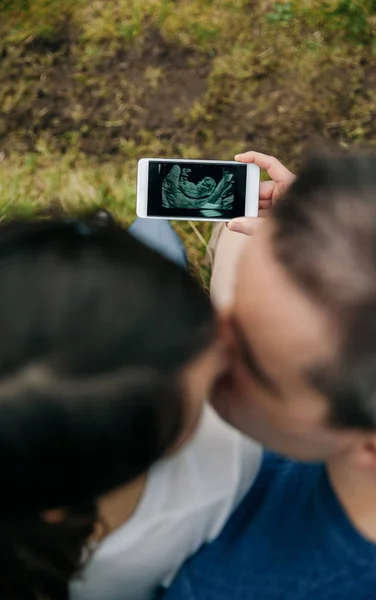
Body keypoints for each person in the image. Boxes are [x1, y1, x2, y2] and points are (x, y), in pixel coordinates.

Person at [162, 151, 376, 600]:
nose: (199, 340)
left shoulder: (225, 585)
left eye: (243, 360)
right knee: (240, 231)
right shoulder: (354, 412)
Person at [0, 215, 262, 600]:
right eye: (213, 386)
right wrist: (237, 266)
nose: (225, 362)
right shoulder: (230, 462)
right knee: (153, 228)